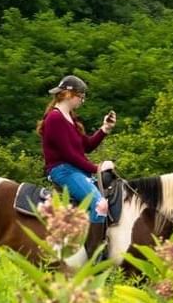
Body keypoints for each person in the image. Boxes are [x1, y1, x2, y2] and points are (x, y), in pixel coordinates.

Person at [38, 76, 119, 225]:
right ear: (69, 95)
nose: (82, 101)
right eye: (81, 96)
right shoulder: (54, 118)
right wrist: (97, 168)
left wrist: (104, 129)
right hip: (63, 171)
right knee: (100, 206)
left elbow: (86, 146)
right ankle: (85, 247)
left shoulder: (70, 118)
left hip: (76, 171)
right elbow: (69, 155)